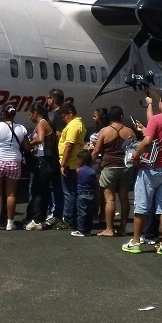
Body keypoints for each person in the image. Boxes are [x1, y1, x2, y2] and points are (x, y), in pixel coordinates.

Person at [121, 90, 162, 257]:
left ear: (161, 102)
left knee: (141, 206)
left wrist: (136, 155)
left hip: (150, 168)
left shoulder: (156, 119)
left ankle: (135, 242)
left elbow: (148, 141)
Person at [90, 105, 137, 237]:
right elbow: (134, 149)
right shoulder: (129, 131)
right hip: (126, 167)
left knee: (109, 199)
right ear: (121, 116)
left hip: (109, 167)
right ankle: (122, 228)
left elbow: (96, 151)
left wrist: (88, 164)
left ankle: (109, 229)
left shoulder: (104, 131)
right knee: (124, 198)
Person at [0, 104, 30, 231]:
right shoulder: (21, 128)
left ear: (3, 114)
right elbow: (27, 147)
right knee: (11, 194)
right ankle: (10, 223)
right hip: (14, 162)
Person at [24, 104, 56, 230]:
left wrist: (28, 144)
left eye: (30, 114)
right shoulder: (45, 123)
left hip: (43, 160)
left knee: (37, 190)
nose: (30, 117)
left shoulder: (42, 123)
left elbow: (41, 139)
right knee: (44, 190)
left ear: (35, 113)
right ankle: (41, 218)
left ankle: (36, 219)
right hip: (47, 160)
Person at [57, 102, 87, 231]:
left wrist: (63, 164)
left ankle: (68, 219)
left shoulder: (74, 125)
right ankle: (72, 218)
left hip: (70, 163)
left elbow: (69, 145)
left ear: (70, 113)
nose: (63, 119)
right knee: (72, 192)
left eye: (64, 116)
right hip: (73, 162)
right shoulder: (75, 124)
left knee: (69, 193)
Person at [43, 89, 65, 227]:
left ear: (53, 99)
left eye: (48, 98)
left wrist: (53, 148)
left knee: (56, 186)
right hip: (58, 155)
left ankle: (56, 213)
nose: (47, 100)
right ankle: (56, 211)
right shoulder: (60, 114)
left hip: (56, 155)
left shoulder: (57, 115)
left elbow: (59, 134)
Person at [72, 149, 97, 237]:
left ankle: (81, 230)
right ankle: (88, 230)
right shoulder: (93, 171)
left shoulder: (79, 170)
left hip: (82, 194)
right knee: (90, 213)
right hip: (91, 193)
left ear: (81, 160)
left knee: (81, 213)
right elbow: (95, 183)